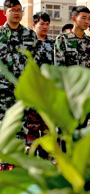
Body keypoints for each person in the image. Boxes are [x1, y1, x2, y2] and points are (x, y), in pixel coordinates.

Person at [0, 0, 40, 166]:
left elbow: (35, 61)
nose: (16, 13)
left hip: (22, 91)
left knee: (22, 127)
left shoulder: (30, 34)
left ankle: (17, 164)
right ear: (4, 13)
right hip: (3, 90)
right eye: (12, 10)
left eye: (19, 10)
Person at [27, 12, 54, 153]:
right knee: (31, 130)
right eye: (41, 23)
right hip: (32, 94)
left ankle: (46, 162)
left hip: (48, 95)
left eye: (47, 24)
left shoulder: (54, 45)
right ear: (34, 25)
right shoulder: (28, 45)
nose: (45, 27)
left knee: (47, 130)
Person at [54, 6, 90, 75]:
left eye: (89, 19)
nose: (87, 21)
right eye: (83, 18)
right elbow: (59, 66)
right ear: (74, 18)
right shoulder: (62, 39)